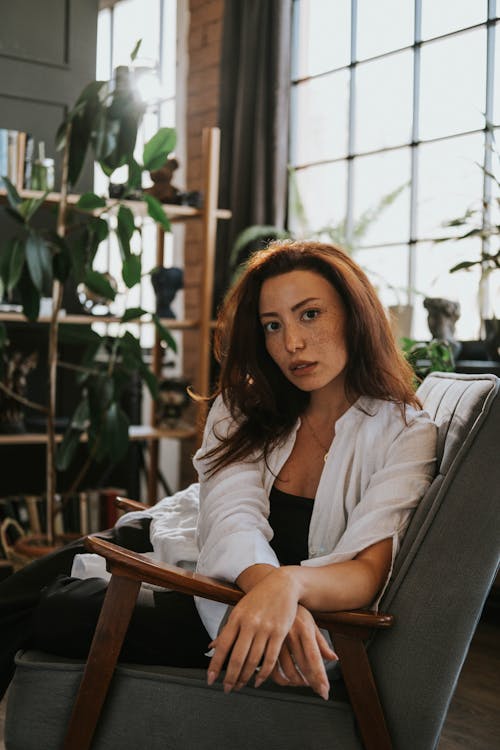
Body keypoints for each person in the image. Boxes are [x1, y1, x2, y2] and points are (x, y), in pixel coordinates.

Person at [0, 240, 437, 703]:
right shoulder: (246, 406)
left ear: (356, 314)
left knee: (54, 607)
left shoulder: (405, 432)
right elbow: (230, 515)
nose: (291, 343)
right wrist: (274, 588)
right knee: (12, 598)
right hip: (185, 537)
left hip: (226, 599)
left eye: (310, 314)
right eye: (273, 325)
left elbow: (367, 571)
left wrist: (287, 588)